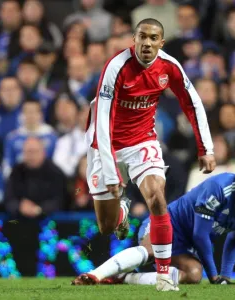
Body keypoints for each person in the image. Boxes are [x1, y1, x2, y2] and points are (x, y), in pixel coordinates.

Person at [84, 18, 216, 291]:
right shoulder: (116, 67)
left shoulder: (169, 66)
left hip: (142, 141)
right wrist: (111, 172)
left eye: (153, 38)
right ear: (134, 39)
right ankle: (121, 212)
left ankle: (164, 276)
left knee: (157, 196)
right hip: (104, 143)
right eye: (142, 37)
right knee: (106, 227)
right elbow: (103, 122)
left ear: (161, 42)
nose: (147, 43)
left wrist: (206, 148)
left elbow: (192, 103)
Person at [73, 158, 235, 287]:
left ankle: (126, 278)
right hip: (166, 223)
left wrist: (226, 276)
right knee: (150, 252)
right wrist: (215, 277)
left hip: (184, 245)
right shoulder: (220, 187)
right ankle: (94, 275)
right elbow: (200, 235)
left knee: (193, 274)